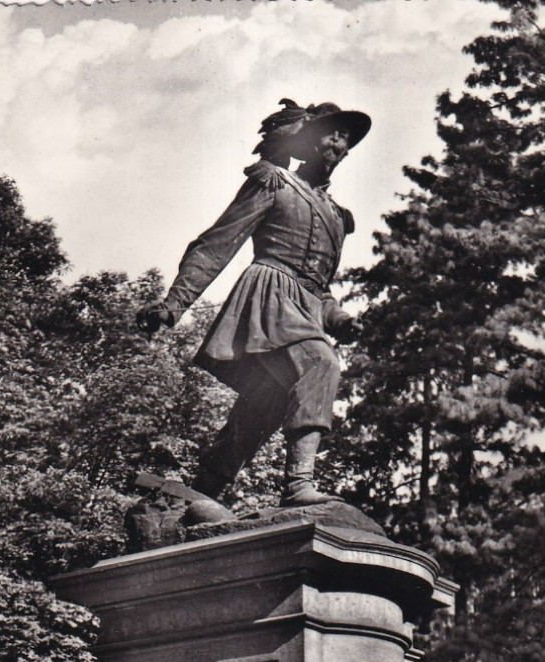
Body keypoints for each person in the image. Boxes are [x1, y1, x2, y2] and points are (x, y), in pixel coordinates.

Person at [136, 99, 371, 506]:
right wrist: (174, 305)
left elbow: (320, 286)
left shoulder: (337, 217)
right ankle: (299, 484)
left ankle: (201, 492)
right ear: (309, 140)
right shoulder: (272, 182)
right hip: (267, 300)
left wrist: (339, 318)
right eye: (331, 133)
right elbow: (215, 246)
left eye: (344, 138)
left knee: (267, 400)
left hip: (304, 310)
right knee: (321, 364)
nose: (337, 144)